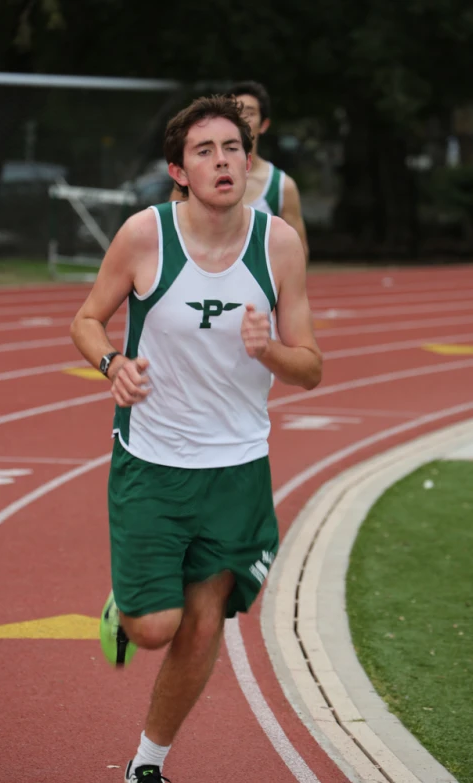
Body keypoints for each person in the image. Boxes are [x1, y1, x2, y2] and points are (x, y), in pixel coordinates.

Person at [70, 94, 322, 783]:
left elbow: (313, 367)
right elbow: (87, 318)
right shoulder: (144, 236)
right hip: (153, 459)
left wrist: (268, 351)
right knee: (156, 628)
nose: (221, 161)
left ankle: (146, 765)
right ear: (179, 170)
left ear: (250, 160)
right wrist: (112, 364)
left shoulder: (278, 244)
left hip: (237, 466)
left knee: (205, 625)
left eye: (232, 149)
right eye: (204, 151)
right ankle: (129, 604)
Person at [169, 80, 310, 261]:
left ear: (264, 124)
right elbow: (171, 236)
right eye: (236, 111)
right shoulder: (193, 177)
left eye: (250, 113)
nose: (242, 118)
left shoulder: (283, 186)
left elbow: (299, 253)